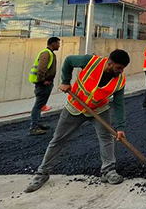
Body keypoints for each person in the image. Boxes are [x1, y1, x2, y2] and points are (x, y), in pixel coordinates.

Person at [24, 49, 131, 193]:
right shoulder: (91, 61)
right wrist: (65, 81)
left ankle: (108, 171)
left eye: (123, 68)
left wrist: (120, 127)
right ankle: (42, 173)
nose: (120, 71)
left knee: (106, 138)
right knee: (58, 139)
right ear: (109, 63)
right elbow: (68, 61)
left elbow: (119, 104)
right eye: (119, 68)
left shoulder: (120, 81)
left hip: (99, 109)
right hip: (75, 106)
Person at [27, 37, 61, 136]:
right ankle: (34, 128)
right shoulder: (46, 53)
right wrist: (43, 81)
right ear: (53, 43)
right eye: (58, 43)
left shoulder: (49, 53)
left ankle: (37, 123)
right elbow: (41, 69)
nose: (59, 45)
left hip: (46, 83)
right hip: (43, 84)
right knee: (38, 106)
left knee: (40, 105)